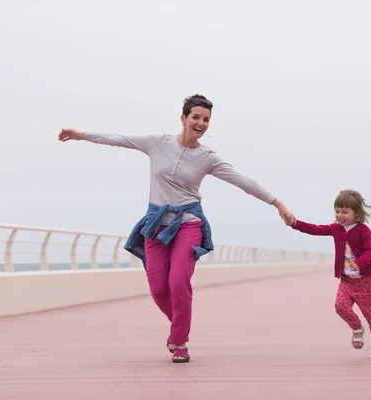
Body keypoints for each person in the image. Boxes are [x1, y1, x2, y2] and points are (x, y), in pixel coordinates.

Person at [58, 94, 295, 363]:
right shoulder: (157, 143)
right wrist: (81, 135)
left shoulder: (207, 158)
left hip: (188, 224)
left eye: (206, 120)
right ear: (183, 118)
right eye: (196, 117)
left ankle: (180, 341)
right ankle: (179, 326)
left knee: (178, 281)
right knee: (159, 289)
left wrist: (278, 204)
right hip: (156, 224)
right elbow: (118, 139)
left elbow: (243, 181)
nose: (201, 123)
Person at [289, 189, 371, 359]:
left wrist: (360, 262)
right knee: (340, 306)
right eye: (337, 211)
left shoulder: (364, 231)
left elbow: (370, 251)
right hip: (347, 280)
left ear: (357, 213)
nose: (340, 215)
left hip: (366, 280)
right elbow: (315, 229)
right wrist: (295, 223)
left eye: (345, 212)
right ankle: (357, 328)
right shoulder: (336, 229)